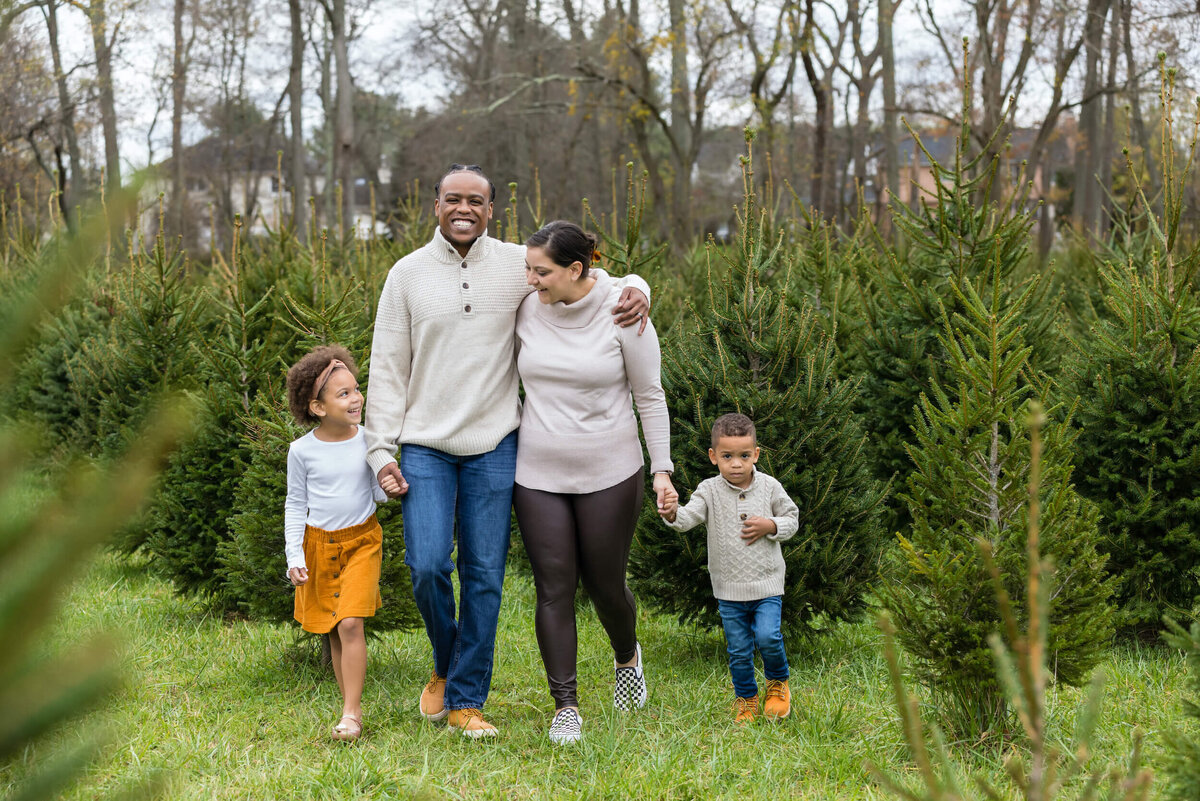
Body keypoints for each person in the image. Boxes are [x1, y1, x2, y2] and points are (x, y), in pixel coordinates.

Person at [364, 165, 651, 739]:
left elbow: (586, 274)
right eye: (452, 199)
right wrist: (380, 449)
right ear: (435, 205)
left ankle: (467, 699)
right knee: (425, 566)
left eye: (476, 200)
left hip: (497, 443)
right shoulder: (407, 275)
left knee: (486, 577)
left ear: (491, 208)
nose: (463, 208)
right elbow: (387, 368)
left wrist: (640, 286)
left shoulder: (516, 266)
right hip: (424, 444)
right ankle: (446, 665)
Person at [512, 220, 677, 745]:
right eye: (528, 269)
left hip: (611, 469)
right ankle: (566, 705)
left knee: (605, 585)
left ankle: (627, 658)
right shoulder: (524, 305)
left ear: (576, 270)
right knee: (554, 587)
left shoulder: (625, 311)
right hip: (537, 471)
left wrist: (662, 470)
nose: (532, 280)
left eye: (542, 272)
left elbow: (649, 395)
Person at [284, 345, 398, 742]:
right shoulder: (301, 451)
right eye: (344, 394)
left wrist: (387, 485)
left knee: (351, 621)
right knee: (335, 628)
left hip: (362, 541)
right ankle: (350, 706)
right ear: (317, 407)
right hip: (318, 546)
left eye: (356, 389)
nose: (357, 398)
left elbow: (375, 492)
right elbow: (295, 504)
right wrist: (294, 555)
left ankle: (351, 714)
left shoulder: (369, 440)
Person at [657, 412, 799, 723]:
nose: (736, 464)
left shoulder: (770, 487)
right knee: (737, 650)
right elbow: (686, 519)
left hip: (767, 584)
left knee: (768, 637)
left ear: (756, 454)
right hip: (729, 589)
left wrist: (770, 524)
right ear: (713, 456)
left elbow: (792, 520)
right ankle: (746, 698)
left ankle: (777, 684)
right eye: (727, 456)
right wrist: (670, 512)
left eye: (744, 456)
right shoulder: (708, 490)